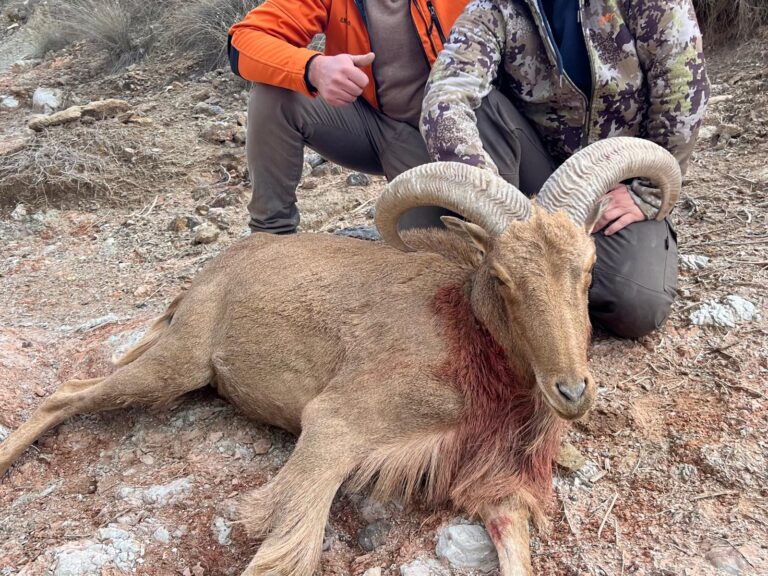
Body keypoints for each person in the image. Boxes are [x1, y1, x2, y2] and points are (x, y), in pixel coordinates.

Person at [420, 0, 710, 338]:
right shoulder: (492, 8)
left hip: (611, 186)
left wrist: (646, 192)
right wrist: (488, 201)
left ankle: (547, 279)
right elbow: (446, 95)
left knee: (637, 305)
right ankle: (510, 263)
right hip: (532, 181)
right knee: (482, 107)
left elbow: (682, 84)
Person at [228, 0, 552, 234]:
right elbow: (243, 41)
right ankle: (271, 239)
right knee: (274, 95)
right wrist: (313, 68)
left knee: (499, 242)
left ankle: (498, 210)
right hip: (390, 131)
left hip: (480, 126)